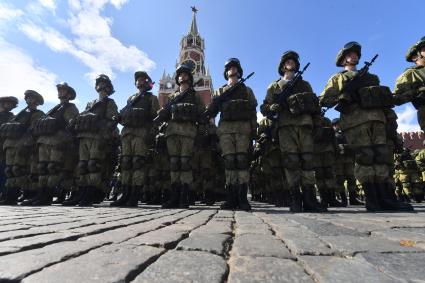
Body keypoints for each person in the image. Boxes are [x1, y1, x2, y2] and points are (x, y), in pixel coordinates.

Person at [261, 51, 324, 212]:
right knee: (291, 162)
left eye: (293, 61)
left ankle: (310, 198)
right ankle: (295, 197)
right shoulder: (274, 86)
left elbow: (314, 106)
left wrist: (317, 124)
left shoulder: (305, 84)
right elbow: (264, 108)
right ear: (282, 66)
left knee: (308, 161)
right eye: (288, 61)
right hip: (285, 126)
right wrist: (271, 108)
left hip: (304, 125)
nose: (291, 63)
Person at [207, 58, 257, 211]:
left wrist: (253, 131)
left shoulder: (247, 90)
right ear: (226, 72)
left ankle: (242, 198)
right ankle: (231, 197)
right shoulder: (220, 91)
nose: (232, 70)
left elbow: (253, 112)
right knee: (229, 162)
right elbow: (212, 112)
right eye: (229, 68)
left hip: (243, 129)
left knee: (241, 161)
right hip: (226, 130)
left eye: (235, 68)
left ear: (239, 71)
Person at [159, 64, 205, 209]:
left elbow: (202, 114)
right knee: (174, 163)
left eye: (185, 74)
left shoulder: (194, 95)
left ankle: (184, 197)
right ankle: (174, 196)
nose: (182, 77)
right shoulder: (172, 96)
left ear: (189, 78)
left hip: (188, 132)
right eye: (180, 75)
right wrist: (162, 113)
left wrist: (201, 131)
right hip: (172, 132)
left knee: (185, 163)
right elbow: (165, 115)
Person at [111, 71, 159, 207]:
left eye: (142, 79)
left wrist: (151, 134)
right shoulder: (131, 98)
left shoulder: (151, 98)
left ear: (147, 82)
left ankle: (134, 195)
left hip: (141, 133)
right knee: (126, 163)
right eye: (137, 79)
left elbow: (156, 119)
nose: (139, 81)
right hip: (127, 133)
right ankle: (124, 194)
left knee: (137, 163)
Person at [0, 90, 44, 205]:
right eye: (28, 97)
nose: (29, 99)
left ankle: (15, 195)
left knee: (18, 170)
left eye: (32, 98)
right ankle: (9, 195)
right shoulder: (21, 113)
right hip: (12, 144)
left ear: (37, 101)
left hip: (23, 143)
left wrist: (27, 144)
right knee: (10, 170)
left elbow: (33, 130)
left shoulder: (38, 113)